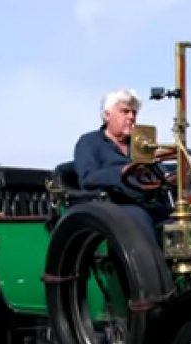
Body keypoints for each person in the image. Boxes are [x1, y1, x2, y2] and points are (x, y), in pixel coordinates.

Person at [73, 88, 171, 238]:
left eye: (134, 113)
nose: (131, 117)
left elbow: (160, 171)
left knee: (181, 218)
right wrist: (123, 171)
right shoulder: (89, 142)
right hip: (114, 206)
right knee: (139, 217)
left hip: (148, 202)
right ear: (107, 115)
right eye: (125, 112)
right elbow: (87, 178)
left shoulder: (141, 146)